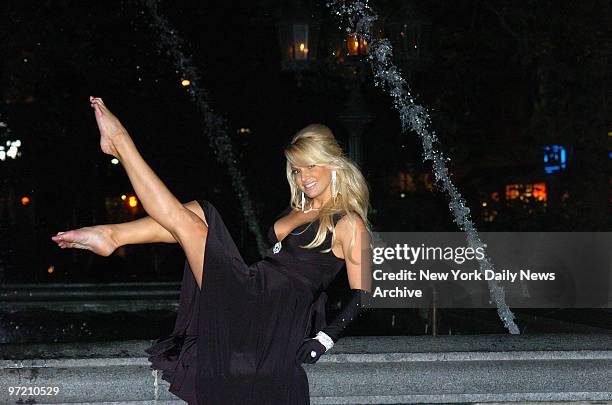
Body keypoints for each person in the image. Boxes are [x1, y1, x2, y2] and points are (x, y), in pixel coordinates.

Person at [51, 96, 373, 404]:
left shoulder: (348, 222)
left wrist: (324, 339)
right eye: (297, 169)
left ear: (333, 165)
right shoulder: (296, 209)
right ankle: (113, 236)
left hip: (268, 313)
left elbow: (363, 294)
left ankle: (120, 143)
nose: (304, 177)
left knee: (190, 221)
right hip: (255, 291)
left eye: (311, 166)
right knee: (198, 212)